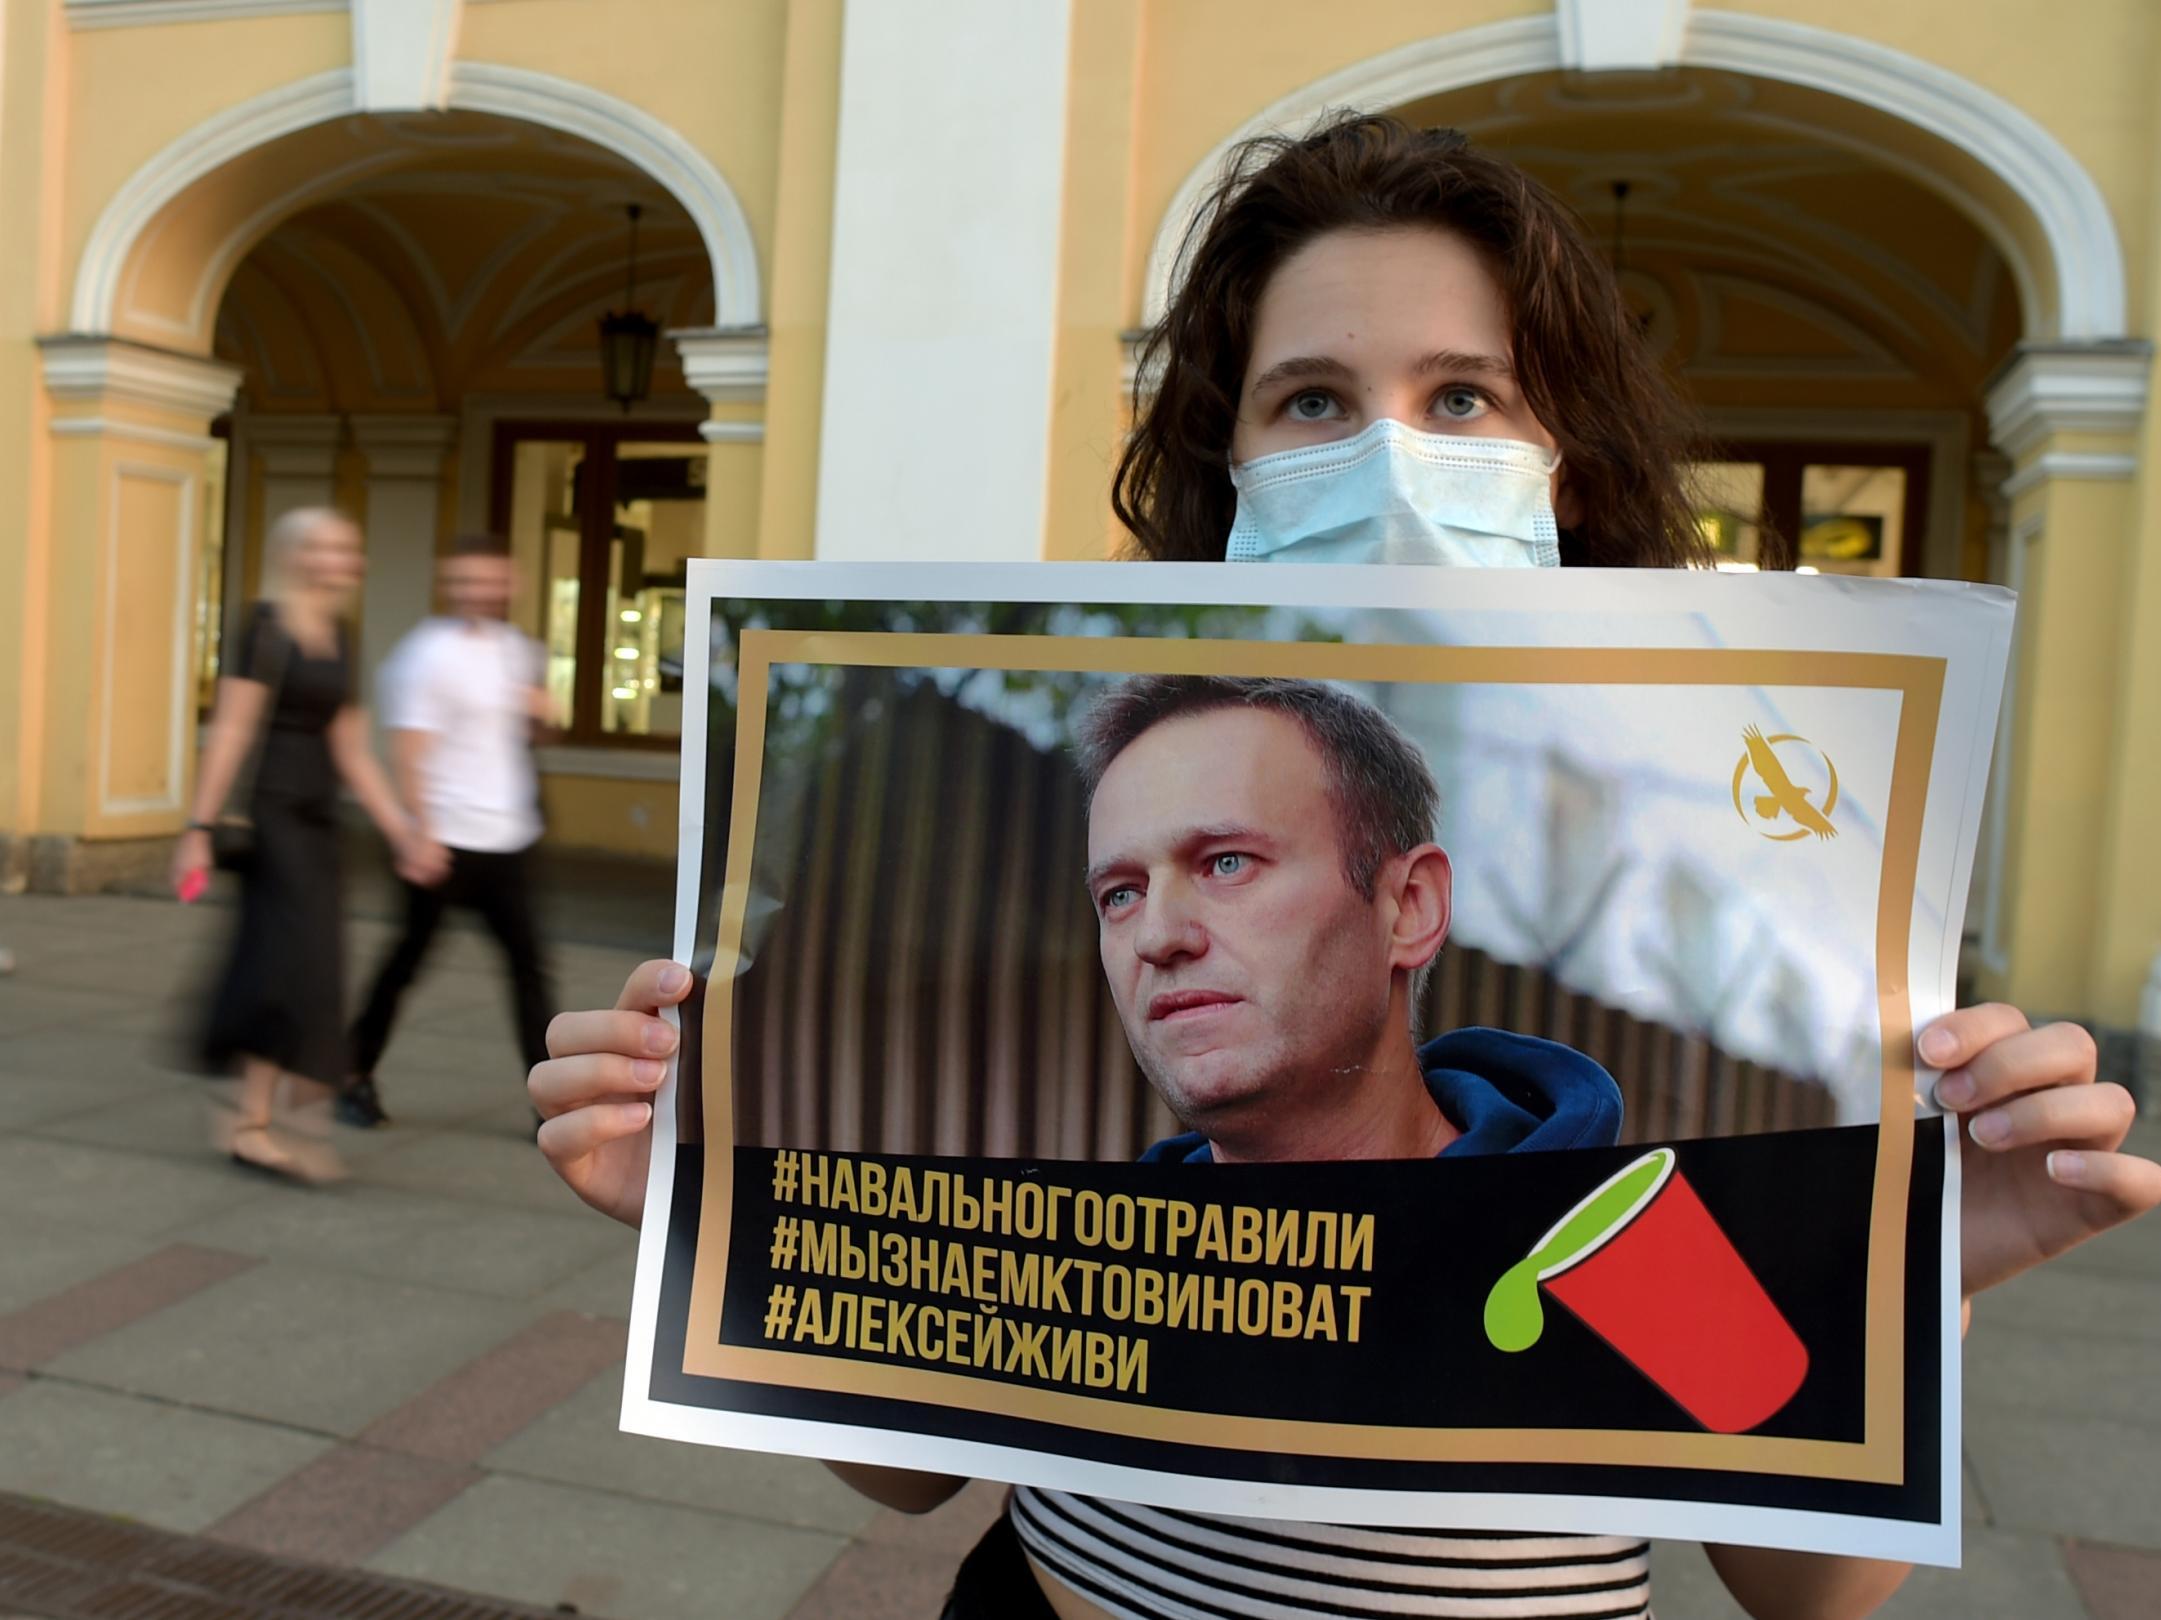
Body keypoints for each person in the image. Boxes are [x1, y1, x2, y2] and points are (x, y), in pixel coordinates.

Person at [527, 116, 2160, 1619]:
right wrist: (698, 1214)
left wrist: (1929, 1279)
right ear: (1228, 462)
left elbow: (1796, 1592)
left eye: (1461, 396)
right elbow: (910, 1473)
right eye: (1310, 398)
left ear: (1411, 905)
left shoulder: (1636, 1199)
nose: (1159, 934)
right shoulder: (1083, 1212)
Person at [173, 508, 434, 1183]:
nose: (338, 558)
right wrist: (197, 829)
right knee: (297, 970)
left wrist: (400, 829)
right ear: (294, 555)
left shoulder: (341, 636)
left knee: (298, 969)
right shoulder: (263, 626)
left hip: (320, 822)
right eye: (322, 547)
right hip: (275, 819)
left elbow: (352, 749)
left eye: (346, 547)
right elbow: (231, 730)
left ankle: (256, 1120)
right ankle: (279, 1125)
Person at [341, 532, 553, 1129]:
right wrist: (419, 836)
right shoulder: (426, 654)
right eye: (463, 582)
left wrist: (541, 713)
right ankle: (352, 1073)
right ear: (448, 586)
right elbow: (408, 751)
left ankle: (549, 1102)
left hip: (510, 838)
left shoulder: (516, 649)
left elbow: (528, 735)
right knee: (407, 961)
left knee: (529, 969)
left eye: (488, 581)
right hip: (446, 840)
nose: (477, 592)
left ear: (510, 583)